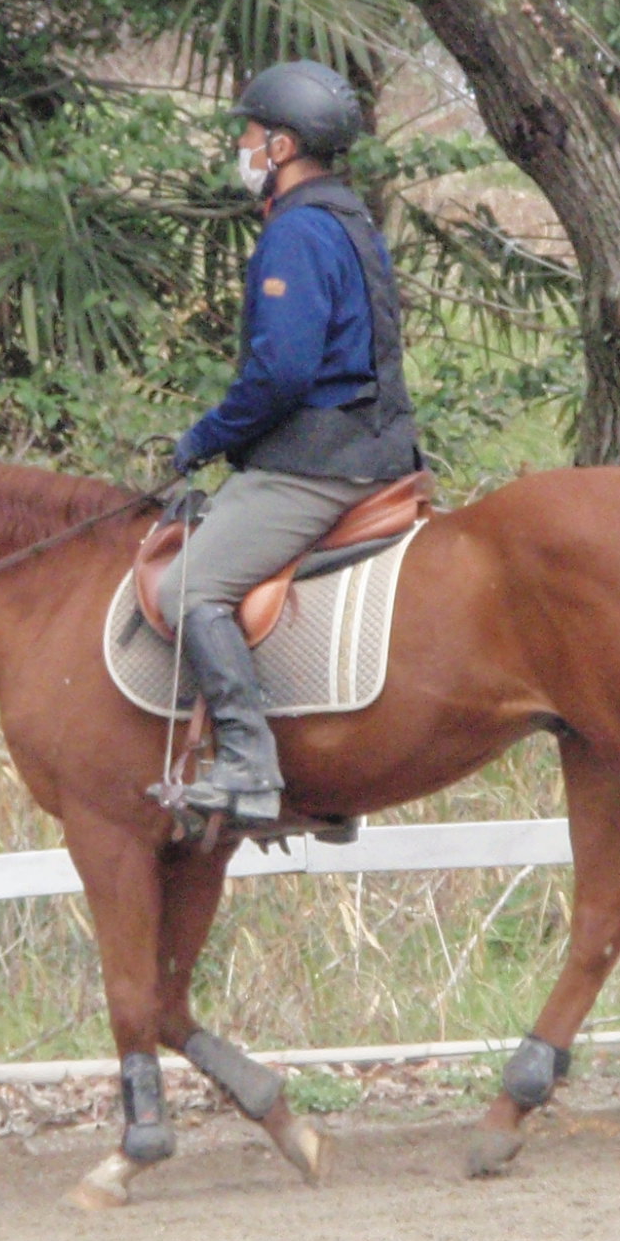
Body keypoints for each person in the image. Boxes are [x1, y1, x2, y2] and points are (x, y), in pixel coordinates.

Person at [160, 60, 422, 826]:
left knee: (189, 588)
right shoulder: (348, 218)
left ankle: (248, 764)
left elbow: (281, 374)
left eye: (249, 134)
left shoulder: (298, 232)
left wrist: (202, 439)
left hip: (317, 464)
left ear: (280, 147)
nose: (240, 148)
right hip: (368, 445)